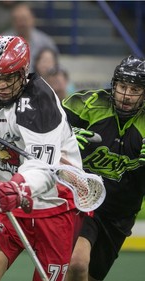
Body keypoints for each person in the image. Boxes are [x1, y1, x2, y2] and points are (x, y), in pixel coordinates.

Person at [0, 35, 82, 281]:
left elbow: (43, 168)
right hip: (11, 201)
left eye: (8, 77)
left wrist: (17, 187)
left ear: (23, 72)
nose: (0, 84)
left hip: (52, 204)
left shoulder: (40, 100)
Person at [62, 55, 145, 281]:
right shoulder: (87, 103)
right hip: (84, 200)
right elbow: (48, 128)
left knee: (89, 276)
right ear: (114, 84)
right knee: (77, 263)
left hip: (120, 214)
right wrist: (69, 137)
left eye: (135, 89)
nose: (127, 95)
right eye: (122, 86)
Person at [4, 3, 59, 73]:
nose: (21, 23)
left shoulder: (45, 42)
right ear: (12, 22)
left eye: (24, 19)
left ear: (32, 19)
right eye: (17, 20)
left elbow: (57, 67)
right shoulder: (4, 41)